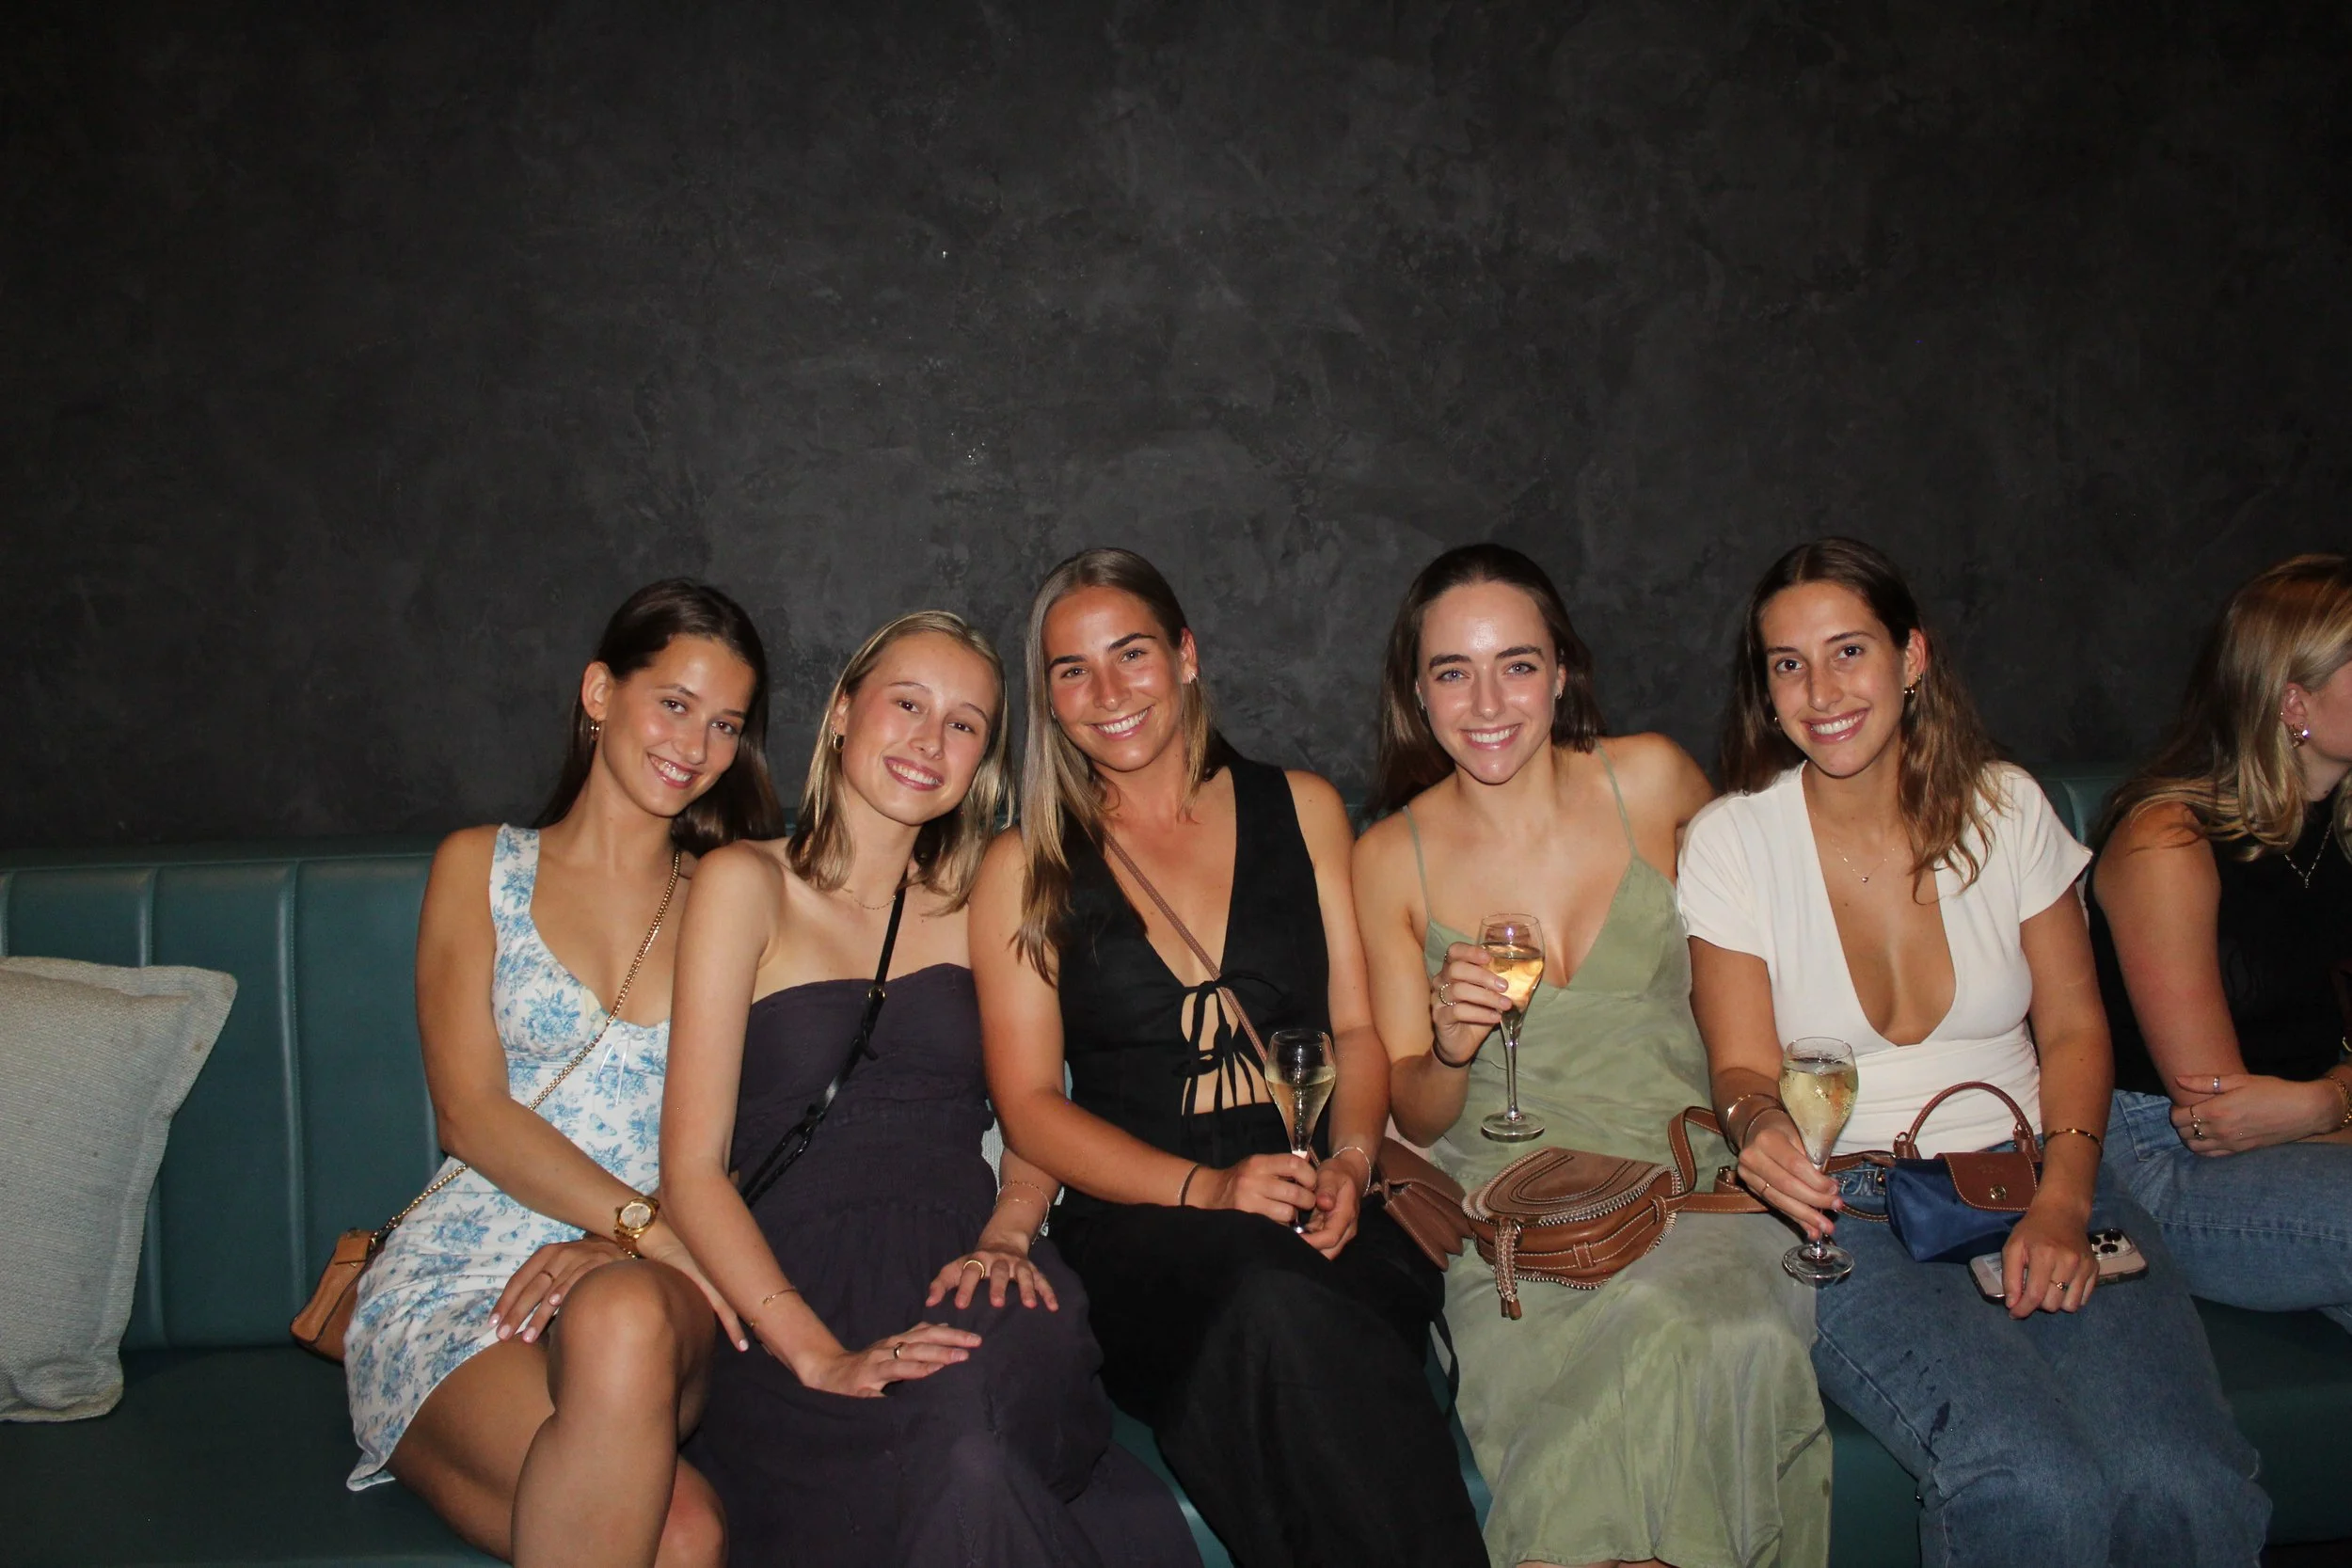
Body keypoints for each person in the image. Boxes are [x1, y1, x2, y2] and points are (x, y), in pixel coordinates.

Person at [1677, 537, 2268, 1567]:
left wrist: (2061, 1200)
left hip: (2036, 1168)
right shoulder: (1733, 838)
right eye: (1786, 664)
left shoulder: (2005, 807)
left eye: (1848, 651)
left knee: (2188, 1477)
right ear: (1763, 693)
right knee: (2031, 1480)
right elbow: (1736, 1067)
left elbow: (2076, 1028)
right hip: (1847, 1202)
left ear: (1913, 657)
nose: (1820, 690)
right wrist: (1757, 1122)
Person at [970, 547, 1487, 1568]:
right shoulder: (1023, 861)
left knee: (1290, 1311)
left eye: (1131, 654)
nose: (1108, 691)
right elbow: (1029, 1107)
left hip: (1324, 1200)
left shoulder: (1300, 805)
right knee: (1268, 1304)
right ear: (1048, 697)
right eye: (1072, 670)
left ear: (1187, 654)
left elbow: (1354, 1029)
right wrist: (1208, 1189)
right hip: (1145, 1226)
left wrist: (1346, 1162)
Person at [660, 610, 1197, 1568]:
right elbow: (692, 1170)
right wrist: (814, 1350)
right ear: (840, 712)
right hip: (791, 1291)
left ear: (983, 762)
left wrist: (1008, 1228)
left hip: (970, 1269)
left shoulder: (985, 892)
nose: (927, 740)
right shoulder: (743, 882)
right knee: (966, 1467)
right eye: (906, 703)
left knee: (967, 1415)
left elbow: (1035, 1106)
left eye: (963, 724)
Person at [1352, 543, 1828, 1568]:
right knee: (1656, 1347)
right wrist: (1445, 1039)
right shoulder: (1390, 855)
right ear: (1416, 690)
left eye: (1516, 663)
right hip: (1525, 1220)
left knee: (1713, 1329)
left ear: (1562, 669)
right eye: (1451, 671)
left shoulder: (1652, 780)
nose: (1486, 701)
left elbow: (1761, 968)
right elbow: (1420, 1111)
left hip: (1696, 1186)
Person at [344, 579, 787, 1568]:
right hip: (466, 1284)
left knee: (621, 1316)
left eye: (725, 724)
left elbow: (768, 1125)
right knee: (685, 1538)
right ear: (599, 692)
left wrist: (635, 1249)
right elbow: (470, 1113)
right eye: (672, 702)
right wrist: (645, 1223)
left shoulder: (734, 895)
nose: (695, 745)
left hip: (649, 1288)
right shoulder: (481, 865)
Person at [2089, 553, 2352, 1325]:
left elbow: (2296, 1107)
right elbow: (2220, 1118)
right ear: (2292, 700)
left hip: (2312, 1141)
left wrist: (2320, 1102)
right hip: (2160, 1164)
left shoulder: (2340, 828)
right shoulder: (2167, 841)